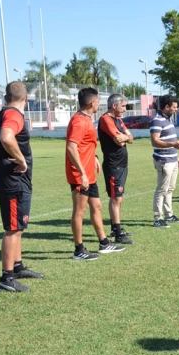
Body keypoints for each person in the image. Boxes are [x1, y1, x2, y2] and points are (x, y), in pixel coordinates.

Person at [0, 81, 43, 293]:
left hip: (13, 178)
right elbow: (5, 136)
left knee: (18, 226)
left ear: (5, 98)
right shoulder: (13, 115)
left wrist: (2, 149)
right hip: (13, 178)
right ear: (26, 98)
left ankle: (17, 267)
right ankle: (6, 278)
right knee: (13, 228)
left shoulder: (2, 114)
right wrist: (20, 159)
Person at [66, 87, 126, 258]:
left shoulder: (86, 120)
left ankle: (104, 243)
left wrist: (94, 157)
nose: (99, 104)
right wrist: (82, 173)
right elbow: (71, 147)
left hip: (89, 173)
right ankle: (79, 250)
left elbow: (86, 144)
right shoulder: (79, 121)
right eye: (98, 101)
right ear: (92, 102)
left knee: (97, 206)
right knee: (79, 211)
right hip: (80, 175)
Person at [98, 93, 134, 244]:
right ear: (114, 105)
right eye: (123, 106)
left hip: (122, 164)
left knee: (119, 198)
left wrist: (125, 137)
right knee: (116, 198)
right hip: (113, 165)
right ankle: (118, 232)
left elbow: (130, 138)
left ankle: (115, 227)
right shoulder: (105, 119)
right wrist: (124, 137)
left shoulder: (118, 120)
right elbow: (119, 140)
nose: (125, 109)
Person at [151, 95, 179, 223]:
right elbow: (155, 141)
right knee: (162, 189)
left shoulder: (168, 119)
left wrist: (177, 157)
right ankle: (158, 218)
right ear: (167, 107)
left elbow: (170, 139)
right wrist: (173, 144)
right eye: (174, 107)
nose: (176, 109)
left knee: (170, 189)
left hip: (172, 159)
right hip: (163, 160)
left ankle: (169, 215)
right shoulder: (157, 120)